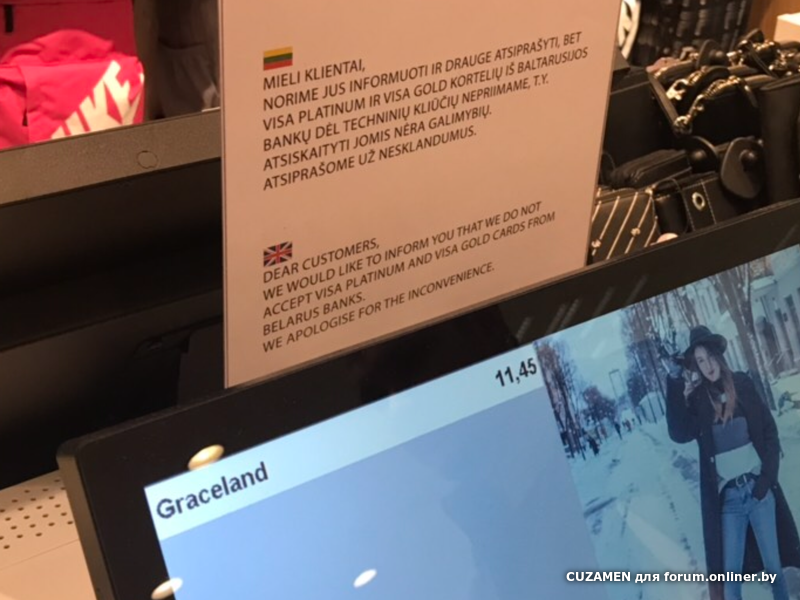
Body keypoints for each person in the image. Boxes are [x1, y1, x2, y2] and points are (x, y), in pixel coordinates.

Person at [665, 326, 800, 600]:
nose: (707, 366)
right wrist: (674, 379)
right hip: (729, 502)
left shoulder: (743, 385)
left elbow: (770, 433)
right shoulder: (699, 400)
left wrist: (765, 482)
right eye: (700, 361)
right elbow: (679, 432)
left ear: (719, 355)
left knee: (775, 570)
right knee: (730, 580)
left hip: (759, 493)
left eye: (709, 357)